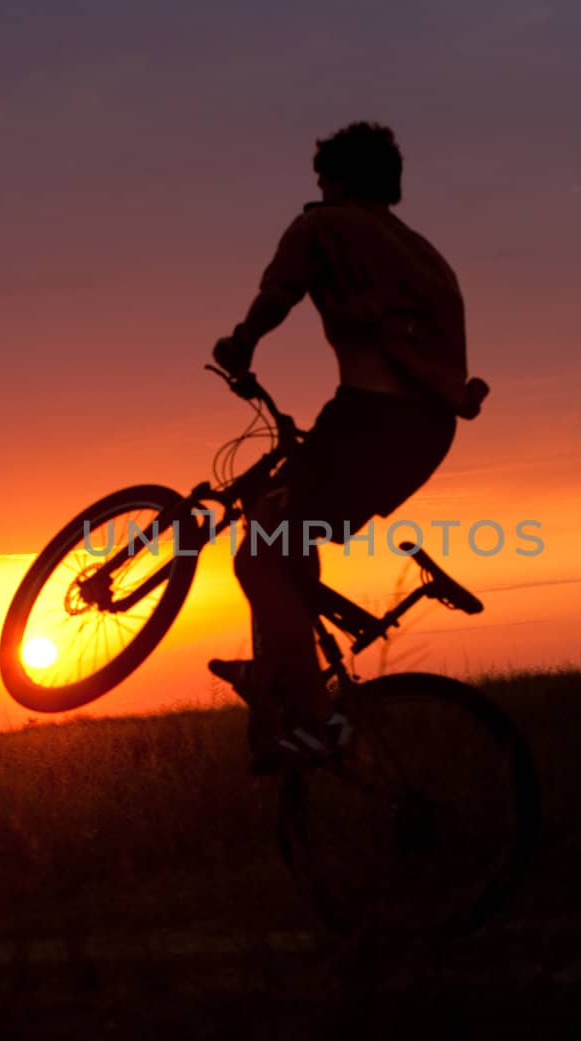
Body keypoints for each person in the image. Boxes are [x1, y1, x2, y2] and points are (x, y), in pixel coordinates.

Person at [209, 121, 489, 774]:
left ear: (336, 180)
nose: (320, 190)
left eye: (323, 179)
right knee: (287, 540)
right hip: (427, 432)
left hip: (370, 420)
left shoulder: (322, 225)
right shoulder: (426, 253)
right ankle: (280, 682)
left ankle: (314, 719)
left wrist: (240, 343)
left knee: (258, 554)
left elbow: (279, 292)